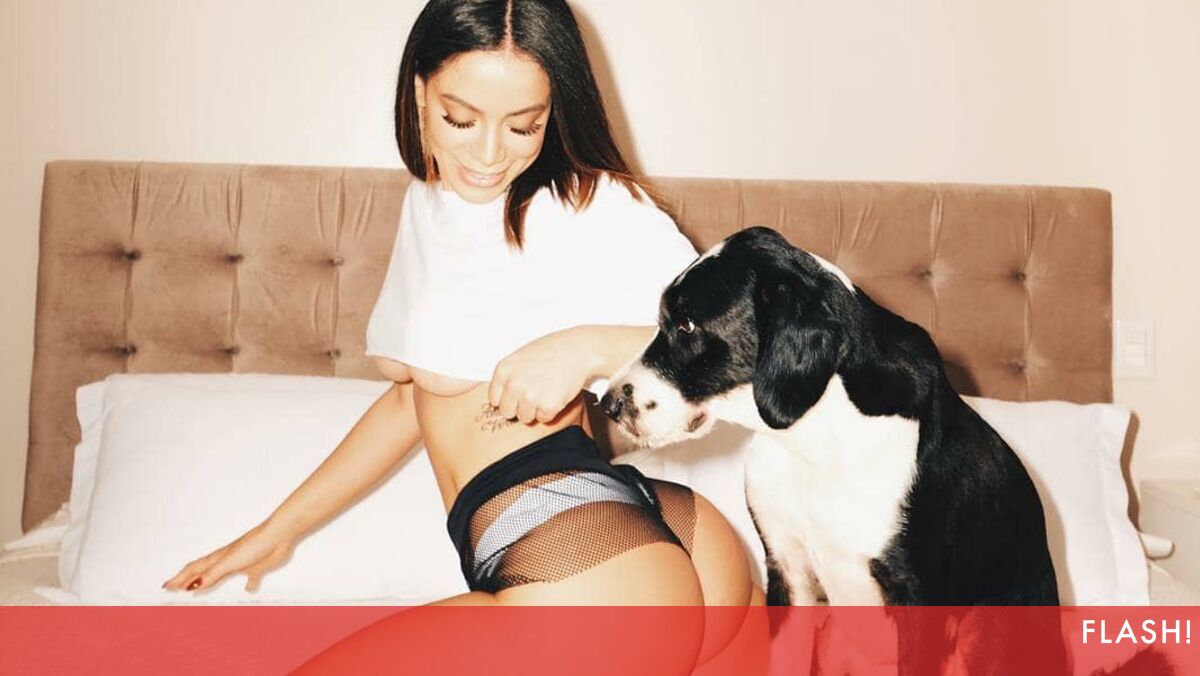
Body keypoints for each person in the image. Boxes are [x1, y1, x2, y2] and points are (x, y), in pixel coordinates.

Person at [163, 0, 763, 669]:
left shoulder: (589, 201)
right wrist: (278, 532)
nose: (488, 153)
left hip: (590, 562)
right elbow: (412, 401)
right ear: (420, 92)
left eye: (523, 125)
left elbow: (743, 351)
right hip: (625, 543)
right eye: (461, 119)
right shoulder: (429, 205)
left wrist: (587, 347)